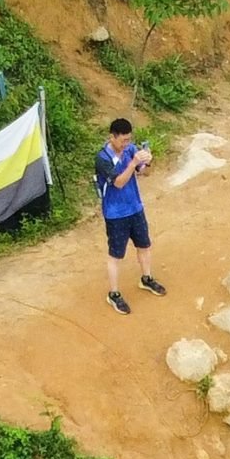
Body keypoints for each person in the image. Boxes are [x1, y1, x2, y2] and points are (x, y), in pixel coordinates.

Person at [94, 119, 167, 315]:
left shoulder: (130, 149)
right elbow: (118, 182)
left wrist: (146, 162)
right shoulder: (102, 158)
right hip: (115, 214)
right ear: (113, 136)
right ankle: (114, 294)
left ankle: (146, 279)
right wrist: (134, 162)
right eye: (123, 140)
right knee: (116, 255)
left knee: (144, 246)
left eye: (128, 140)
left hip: (135, 207)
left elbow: (142, 172)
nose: (126, 144)